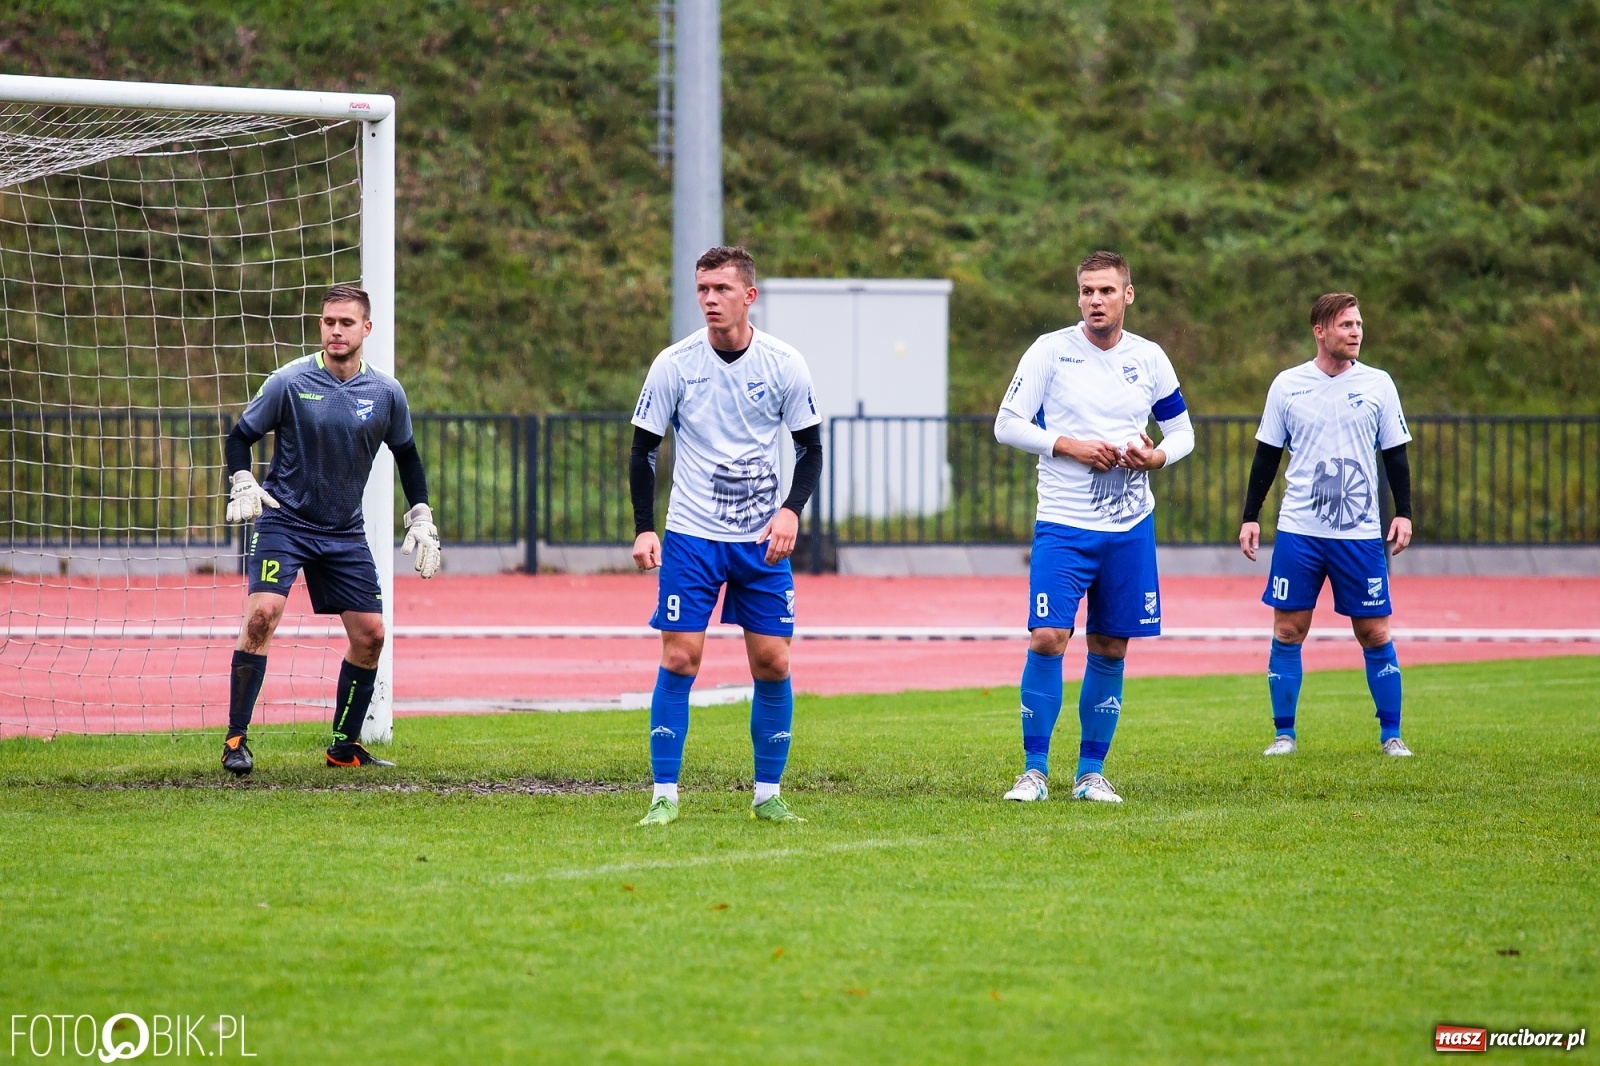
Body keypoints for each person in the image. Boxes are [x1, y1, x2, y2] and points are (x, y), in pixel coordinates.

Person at [629, 246, 822, 825]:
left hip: (762, 540)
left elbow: (810, 447)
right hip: (692, 536)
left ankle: (768, 795)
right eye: (703, 290)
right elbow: (643, 449)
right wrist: (644, 527)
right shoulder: (675, 363)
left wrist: (790, 510)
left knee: (772, 662)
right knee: (682, 657)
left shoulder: (784, 363)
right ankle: (664, 796)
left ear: (749, 296)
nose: (710, 300)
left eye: (721, 290)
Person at [993, 250, 1195, 804]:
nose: (1095, 301)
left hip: (1130, 525)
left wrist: (1158, 459)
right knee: (1048, 636)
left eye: (1106, 291)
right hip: (1063, 522)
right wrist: (1069, 444)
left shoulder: (1150, 358)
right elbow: (1006, 424)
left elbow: (1182, 433)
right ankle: (1034, 771)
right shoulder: (1051, 351)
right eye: (1087, 291)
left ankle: (1090, 774)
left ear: (1127, 295)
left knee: (1110, 645)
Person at [218, 284, 441, 775]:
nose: (335, 330)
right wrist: (241, 479)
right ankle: (236, 740)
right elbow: (240, 437)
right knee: (263, 617)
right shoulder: (289, 381)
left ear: (366, 328)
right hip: (285, 519)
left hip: (343, 531)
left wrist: (421, 513)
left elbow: (407, 455)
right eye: (327, 322)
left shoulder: (386, 392)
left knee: (372, 635)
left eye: (345, 322)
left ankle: (344, 747)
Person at [1238, 293, 1414, 757]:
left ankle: (1391, 735)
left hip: (1358, 534)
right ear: (1320, 330)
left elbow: (1394, 453)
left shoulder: (1378, 385)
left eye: (1359, 324)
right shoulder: (1287, 385)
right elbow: (1267, 455)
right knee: (1288, 630)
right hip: (1301, 531)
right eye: (1346, 325)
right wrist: (1250, 516)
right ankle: (1283, 735)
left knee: (1374, 632)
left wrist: (1404, 511)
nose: (1356, 332)